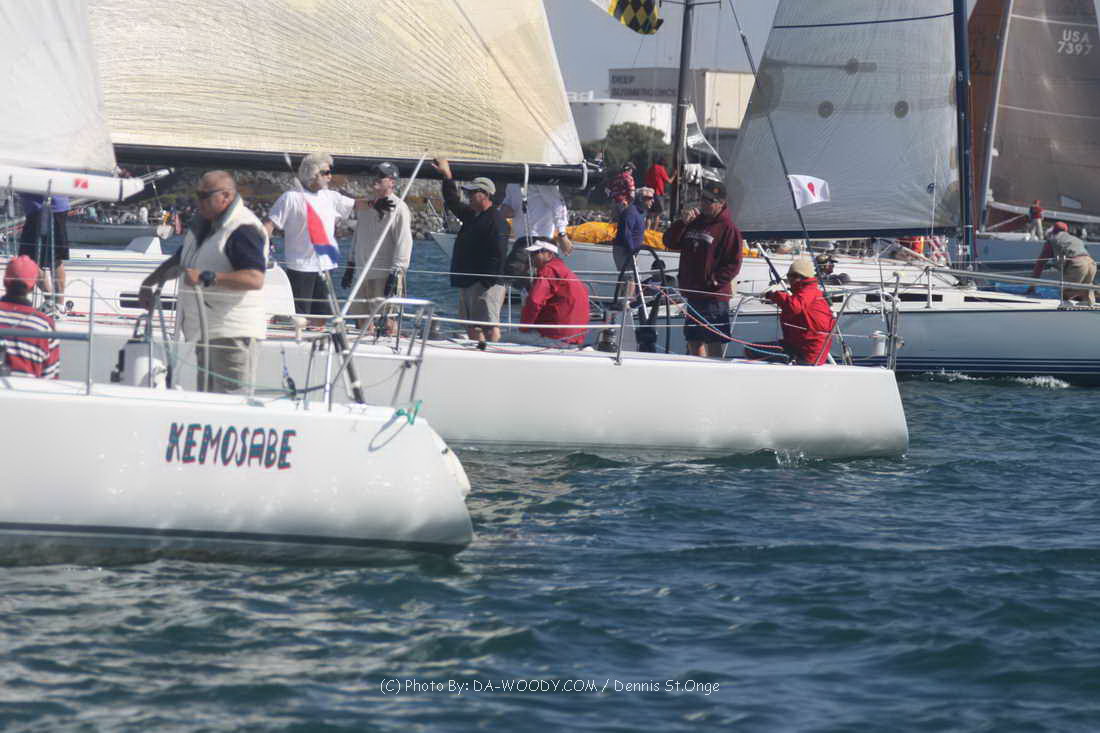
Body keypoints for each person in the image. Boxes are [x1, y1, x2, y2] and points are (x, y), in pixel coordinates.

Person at [139, 171, 269, 394]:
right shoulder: (203, 227)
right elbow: (179, 260)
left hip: (233, 333)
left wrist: (208, 277)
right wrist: (149, 283)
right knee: (207, 399)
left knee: (230, 402)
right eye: (197, 195)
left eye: (204, 196)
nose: (198, 201)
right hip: (206, 333)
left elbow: (255, 278)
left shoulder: (243, 228)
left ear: (226, 196)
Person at [264, 153, 357, 319]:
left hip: (325, 266)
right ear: (313, 174)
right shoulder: (291, 197)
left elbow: (358, 205)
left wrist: (377, 202)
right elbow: (269, 225)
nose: (330, 176)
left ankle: (316, 334)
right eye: (326, 172)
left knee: (322, 316)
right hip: (300, 267)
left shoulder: (330, 197)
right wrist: (261, 248)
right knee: (300, 316)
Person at [663, 180, 743, 358]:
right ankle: (697, 367)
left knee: (713, 339)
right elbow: (669, 242)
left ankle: (715, 370)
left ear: (721, 203)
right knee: (693, 338)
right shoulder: (694, 222)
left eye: (709, 200)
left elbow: (734, 263)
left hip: (713, 296)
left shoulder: (728, 228)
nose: (704, 203)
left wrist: (714, 281)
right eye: (703, 198)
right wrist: (682, 223)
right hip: (694, 293)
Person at [434, 157, 509, 343]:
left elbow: (498, 254)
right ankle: (479, 350)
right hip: (469, 281)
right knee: (471, 325)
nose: (468, 196)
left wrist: (485, 282)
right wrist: (447, 176)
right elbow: (452, 201)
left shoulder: (496, 221)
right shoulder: (472, 215)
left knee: (490, 326)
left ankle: (493, 353)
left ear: (484, 194)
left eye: (472, 193)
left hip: (486, 284)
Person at [343, 161, 413, 334]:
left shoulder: (399, 208)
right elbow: (358, 235)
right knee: (360, 319)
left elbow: (404, 242)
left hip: (384, 273)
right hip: (362, 271)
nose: (375, 179)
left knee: (387, 320)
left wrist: (397, 272)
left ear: (392, 182)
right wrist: (350, 264)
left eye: (381, 176)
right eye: (374, 175)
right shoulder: (365, 205)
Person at [757, 256, 836, 365]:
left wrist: (775, 296)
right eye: (789, 276)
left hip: (806, 354)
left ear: (801, 277)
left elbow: (794, 306)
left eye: (792, 276)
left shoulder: (809, 291)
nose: (789, 279)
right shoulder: (807, 291)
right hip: (802, 349)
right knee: (757, 348)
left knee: (750, 350)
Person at [517, 238, 590, 346]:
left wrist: (524, 327)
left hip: (555, 337)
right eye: (531, 253)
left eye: (536, 252)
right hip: (574, 338)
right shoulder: (564, 271)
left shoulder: (549, 271)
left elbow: (534, 301)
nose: (531, 256)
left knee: (505, 338)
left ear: (549, 254)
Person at [0, 255, 59, 379]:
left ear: (5, 281)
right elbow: (51, 378)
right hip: (26, 389)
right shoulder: (44, 325)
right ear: (32, 287)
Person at [17, 192, 70, 311]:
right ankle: (52, 302)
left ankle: (57, 304)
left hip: (47, 208)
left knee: (51, 258)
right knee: (32, 260)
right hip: (39, 209)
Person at [1027, 221, 1097, 305]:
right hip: (1091, 263)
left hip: (1077, 264)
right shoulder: (1076, 239)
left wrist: (1032, 286)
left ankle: (1084, 292)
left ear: (1054, 231)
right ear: (1066, 230)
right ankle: (1088, 299)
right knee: (1083, 294)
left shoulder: (1052, 240)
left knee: (1064, 294)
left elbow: (1040, 264)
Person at [500, 183, 572, 255]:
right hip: (520, 239)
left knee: (514, 262)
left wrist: (562, 234)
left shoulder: (540, 179)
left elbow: (557, 204)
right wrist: (505, 208)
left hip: (540, 240)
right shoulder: (512, 182)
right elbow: (507, 201)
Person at [612, 187, 654, 300]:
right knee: (630, 277)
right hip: (624, 249)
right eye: (649, 198)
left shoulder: (642, 213)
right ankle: (626, 304)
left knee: (630, 277)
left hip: (632, 250)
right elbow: (626, 233)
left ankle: (625, 302)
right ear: (641, 199)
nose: (652, 201)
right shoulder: (631, 212)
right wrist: (631, 251)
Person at [643, 156, 673, 228]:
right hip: (658, 193)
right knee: (657, 214)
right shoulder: (661, 168)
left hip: (649, 193)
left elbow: (646, 180)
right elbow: (669, 181)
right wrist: (674, 175)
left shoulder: (651, 168)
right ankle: (654, 231)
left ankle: (647, 231)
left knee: (649, 215)